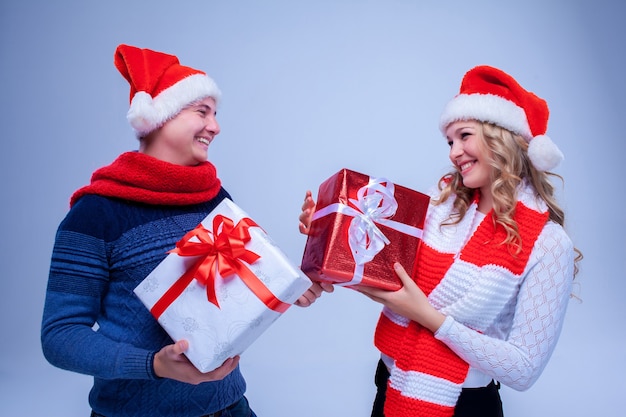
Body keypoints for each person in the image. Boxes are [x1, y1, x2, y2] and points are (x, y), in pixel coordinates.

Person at [41, 44, 330, 417]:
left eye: (216, 114)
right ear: (160, 116)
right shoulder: (95, 214)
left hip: (229, 407)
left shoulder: (213, 197)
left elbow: (242, 288)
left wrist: (307, 266)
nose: (216, 125)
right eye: (202, 112)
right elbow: (61, 336)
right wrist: (154, 364)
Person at [298, 65, 581, 417]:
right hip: (390, 383)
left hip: (463, 405)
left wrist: (429, 318)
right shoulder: (442, 202)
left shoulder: (549, 244)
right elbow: (386, 268)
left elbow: (523, 369)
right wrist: (330, 232)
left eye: (464, 135)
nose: (453, 152)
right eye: (450, 141)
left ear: (502, 137)